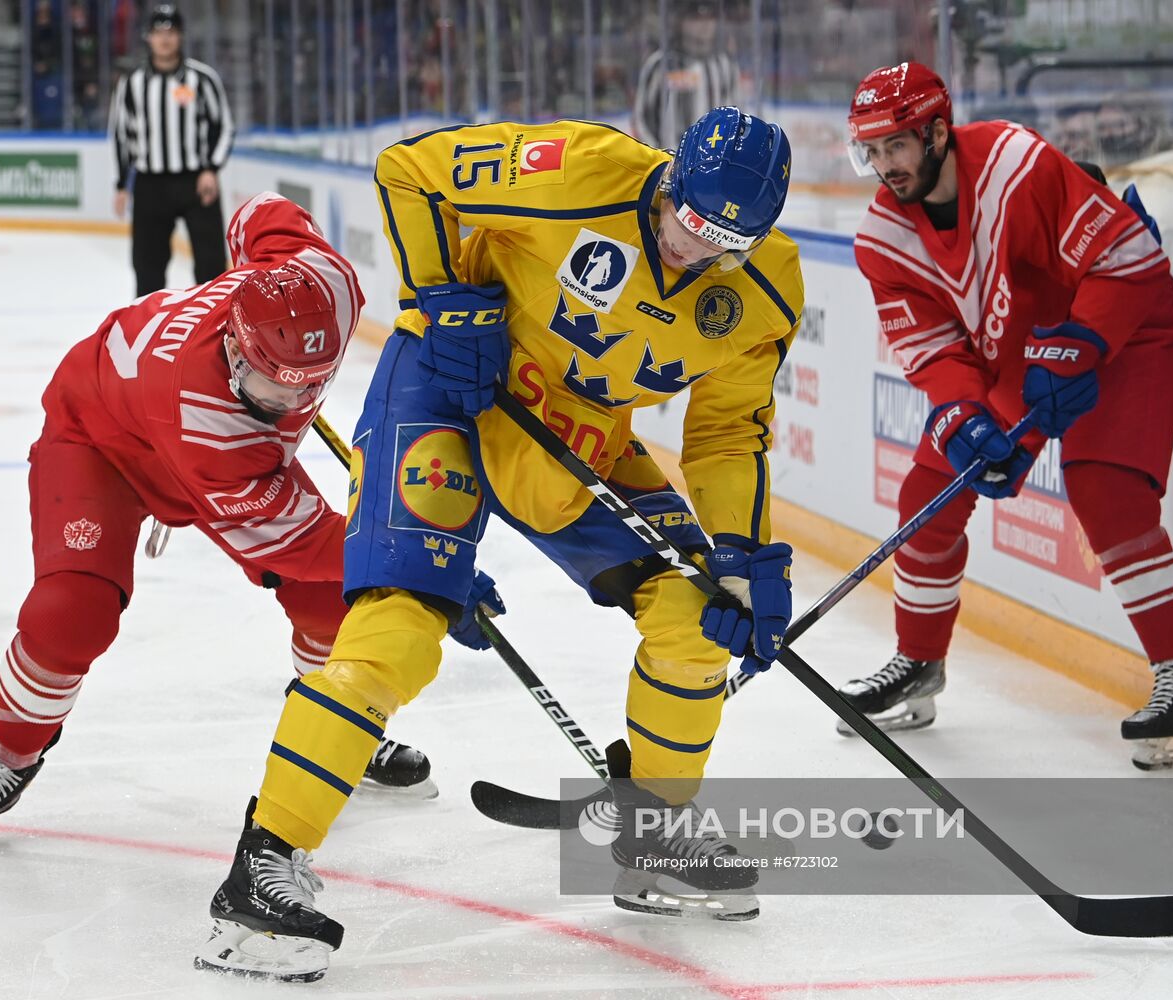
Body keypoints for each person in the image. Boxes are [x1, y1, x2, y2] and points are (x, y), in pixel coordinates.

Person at [192, 108, 804, 982]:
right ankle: (259, 874)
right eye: (687, 223)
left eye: (721, 244)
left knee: (699, 618)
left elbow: (726, 434)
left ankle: (655, 836)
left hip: (578, 439)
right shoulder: (576, 169)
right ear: (668, 182)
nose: (691, 253)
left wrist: (741, 554)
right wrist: (443, 296)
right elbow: (409, 170)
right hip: (446, 392)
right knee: (399, 631)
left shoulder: (766, 291)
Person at [0, 193, 474, 853]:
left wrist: (249, 278)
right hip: (100, 440)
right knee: (72, 610)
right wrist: (427, 568)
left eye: (311, 385)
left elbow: (260, 211)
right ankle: (9, 755)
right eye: (278, 389)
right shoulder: (209, 421)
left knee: (331, 598)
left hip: (205, 443)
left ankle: (343, 717)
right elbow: (302, 543)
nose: (295, 402)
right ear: (236, 352)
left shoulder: (328, 283)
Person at [839, 62, 1173, 771]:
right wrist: (963, 417)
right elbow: (932, 350)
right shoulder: (882, 241)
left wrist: (1085, 343)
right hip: (1027, 348)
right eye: (872, 150)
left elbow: (1130, 254)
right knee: (931, 490)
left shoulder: (1017, 163)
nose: (885, 165)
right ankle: (918, 663)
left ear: (938, 132)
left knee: (1106, 491)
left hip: (1127, 324)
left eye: (897, 145)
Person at [108, 4, 234, 296]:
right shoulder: (132, 83)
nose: (165, 38)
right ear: (148, 37)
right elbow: (121, 135)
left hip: (196, 182)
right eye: (158, 32)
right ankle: (148, 336)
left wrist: (211, 169)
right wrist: (121, 184)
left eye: (171, 31)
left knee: (211, 268)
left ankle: (216, 336)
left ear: (181, 36)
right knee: (147, 268)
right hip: (150, 184)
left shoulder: (202, 79)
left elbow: (224, 127)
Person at [1054, 95, 1173, 242]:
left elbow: (1139, 246)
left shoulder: (1165, 183)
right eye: (1102, 128)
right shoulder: (1116, 173)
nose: (1108, 135)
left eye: (1118, 126)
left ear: (1148, 129)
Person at [633, 1, 740, 149]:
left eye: (710, 18)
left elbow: (737, 114)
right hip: (668, 162)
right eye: (696, 18)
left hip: (715, 163)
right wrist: (660, 160)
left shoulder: (724, 65)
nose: (705, 25)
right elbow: (642, 119)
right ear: (681, 21)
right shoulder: (659, 65)